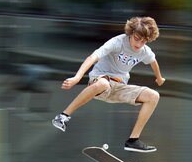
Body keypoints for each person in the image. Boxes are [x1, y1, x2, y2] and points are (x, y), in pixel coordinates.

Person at [51, 16, 165, 152]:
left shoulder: (145, 51)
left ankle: (133, 141)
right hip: (100, 80)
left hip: (119, 87)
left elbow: (153, 62)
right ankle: (63, 116)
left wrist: (159, 78)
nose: (139, 44)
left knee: (153, 96)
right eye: (136, 38)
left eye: (144, 41)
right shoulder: (118, 42)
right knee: (104, 84)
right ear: (131, 33)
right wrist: (77, 77)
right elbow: (93, 57)